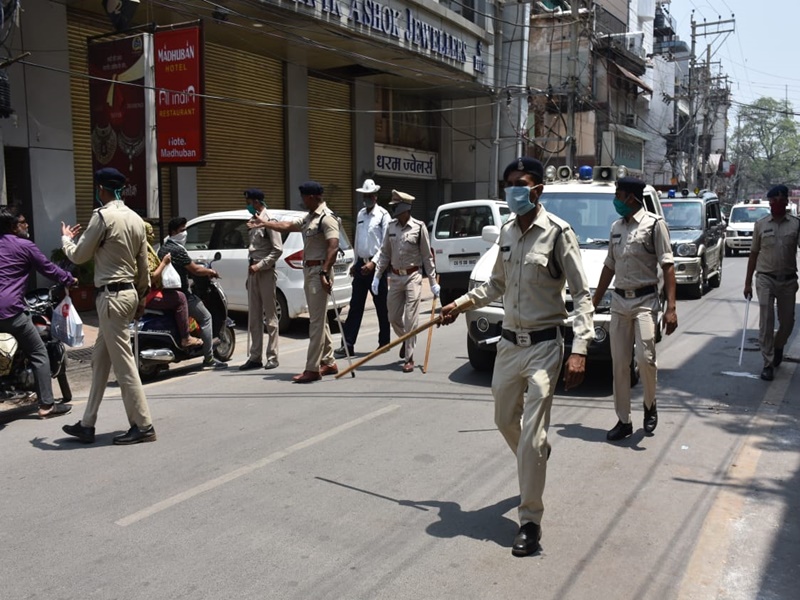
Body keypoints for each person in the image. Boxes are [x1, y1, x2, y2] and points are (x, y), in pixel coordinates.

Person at [440, 157, 594, 557]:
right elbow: (494, 285)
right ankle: (537, 453)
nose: (512, 190)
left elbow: (581, 294)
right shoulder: (507, 232)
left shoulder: (559, 233)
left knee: (530, 435)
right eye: (507, 184)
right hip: (508, 346)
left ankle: (530, 521)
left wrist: (579, 349)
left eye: (519, 184)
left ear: (537, 189)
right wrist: (457, 304)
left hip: (545, 346)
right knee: (503, 419)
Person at [60, 168, 156, 445]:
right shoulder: (136, 219)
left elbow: (79, 256)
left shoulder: (102, 217)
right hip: (126, 296)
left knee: (124, 366)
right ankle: (87, 423)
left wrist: (66, 239)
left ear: (101, 188)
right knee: (99, 361)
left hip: (111, 298)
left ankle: (143, 424)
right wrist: (140, 297)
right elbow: (143, 267)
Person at [592, 176, 678, 442]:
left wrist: (671, 308)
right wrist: (593, 301)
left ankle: (650, 405)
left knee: (645, 358)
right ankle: (624, 420)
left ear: (631, 197)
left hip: (645, 302)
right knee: (619, 363)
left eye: (618, 195)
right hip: (619, 302)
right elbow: (609, 265)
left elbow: (668, 265)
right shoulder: (616, 227)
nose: (616, 200)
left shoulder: (654, 225)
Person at [253, 181, 339, 383]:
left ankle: (312, 369)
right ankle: (329, 361)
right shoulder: (310, 218)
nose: (301, 200)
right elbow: (287, 226)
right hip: (309, 270)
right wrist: (265, 223)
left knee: (316, 322)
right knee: (320, 319)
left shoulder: (327, 218)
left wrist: (325, 272)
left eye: (303, 197)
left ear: (311, 197)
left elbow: (333, 247)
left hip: (319, 272)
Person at [0, 206, 76, 419]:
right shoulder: (24, 245)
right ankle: (47, 405)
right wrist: (71, 279)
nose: (27, 225)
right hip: (10, 312)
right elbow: (49, 269)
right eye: (23, 222)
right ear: (14, 227)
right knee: (38, 353)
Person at [373, 190, 439, 373]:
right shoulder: (391, 227)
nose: (392, 209)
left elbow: (427, 257)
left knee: (411, 319)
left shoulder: (419, 227)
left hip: (413, 277)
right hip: (394, 277)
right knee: (392, 317)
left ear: (405, 207)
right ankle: (405, 339)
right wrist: (377, 276)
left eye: (395, 206)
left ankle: (409, 357)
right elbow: (385, 253)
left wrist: (433, 281)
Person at [744, 185, 800, 381]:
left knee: (787, 323)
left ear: (786, 202)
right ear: (769, 203)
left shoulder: (795, 224)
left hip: (788, 280)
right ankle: (767, 363)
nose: (777, 204)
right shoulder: (761, 225)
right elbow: (753, 254)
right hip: (765, 278)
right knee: (766, 320)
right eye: (773, 201)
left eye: (780, 200)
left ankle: (778, 345)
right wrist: (747, 283)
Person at [159, 217, 227, 370]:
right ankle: (209, 358)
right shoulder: (177, 249)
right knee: (206, 317)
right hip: (181, 294)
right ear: (173, 232)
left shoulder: (164, 247)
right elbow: (195, 269)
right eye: (181, 230)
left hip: (165, 293)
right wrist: (210, 271)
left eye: (185, 229)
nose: (185, 233)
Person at [334, 178, 391, 358]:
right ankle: (348, 344)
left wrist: (373, 263)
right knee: (355, 306)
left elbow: (385, 244)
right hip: (361, 264)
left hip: (377, 266)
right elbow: (358, 239)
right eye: (364, 196)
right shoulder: (360, 215)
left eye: (369, 195)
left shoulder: (383, 215)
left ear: (375, 196)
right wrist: (356, 262)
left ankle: (384, 342)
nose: (367, 198)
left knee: (381, 306)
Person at [239, 189, 283, 371]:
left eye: (249, 202)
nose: (247, 205)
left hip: (264, 272)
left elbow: (278, 249)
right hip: (253, 271)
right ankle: (255, 356)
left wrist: (260, 265)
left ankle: (272, 356)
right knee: (254, 316)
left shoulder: (269, 221)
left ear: (257, 202)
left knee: (270, 316)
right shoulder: (255, 221)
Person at [142, 221, 201, 349]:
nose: (153, 235)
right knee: (180, 298)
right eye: (150, 232)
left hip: (143, 293)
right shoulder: (144, 252)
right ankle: (186, 338)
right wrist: (164, 263)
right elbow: (151, 277)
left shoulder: (154, 249)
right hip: (147, 294)